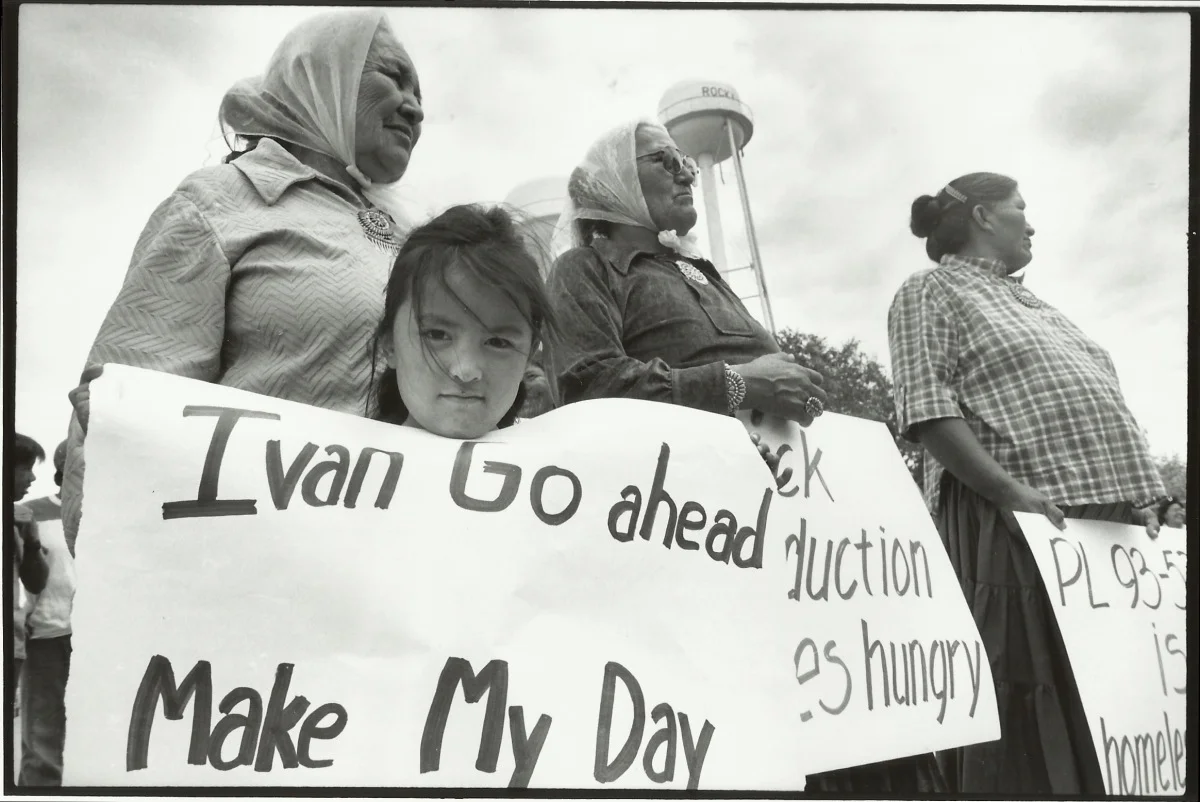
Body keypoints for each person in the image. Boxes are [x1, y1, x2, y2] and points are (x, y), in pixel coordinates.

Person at [547, 119, 942, 794]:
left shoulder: (701, 270)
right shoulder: (584, 270)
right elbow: (587, 384)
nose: (685, 171)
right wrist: (736, 385)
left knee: (856, 732)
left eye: (687, 161)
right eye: (664, 160)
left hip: (802, 541)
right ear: (613, 182)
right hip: (699, 538)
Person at [61, 8, 425, 557]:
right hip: (257, 569)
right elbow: (122, 413)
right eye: (394, 76)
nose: (416, 108)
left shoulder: (415, 234)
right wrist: (125, 566)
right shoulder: (221, 202)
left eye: (419, 93)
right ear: (322, 75)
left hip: (393, 565)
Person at [888, 172, 1168, 795]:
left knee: (1119, 707)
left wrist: (1146, 501)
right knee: (1034, 712)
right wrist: (1009, 494)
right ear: (983, 217)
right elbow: (927, 411)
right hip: (1020, 523)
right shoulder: (929, 290)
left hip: (1105, 530)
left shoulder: (1036, 304)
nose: (1032, 223)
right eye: (1020, 207)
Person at [367, 203, 560, 437]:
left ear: (528, 356)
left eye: (498, 342)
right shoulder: (338, 455)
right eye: (437, 335)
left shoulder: (558, 456)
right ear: (390, 345)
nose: (466, 371)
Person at [18, 441, 76, 786]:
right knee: (43, 742)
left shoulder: (112, 516)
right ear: (63, 471)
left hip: (98, 637)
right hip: (46, 637)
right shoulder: (29, 512)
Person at [10, 435, 50, 724]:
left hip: (11, 645)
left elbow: (35, 583)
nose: (32, 477)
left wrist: (32, 540)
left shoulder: (20, 520)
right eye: (25, 468)